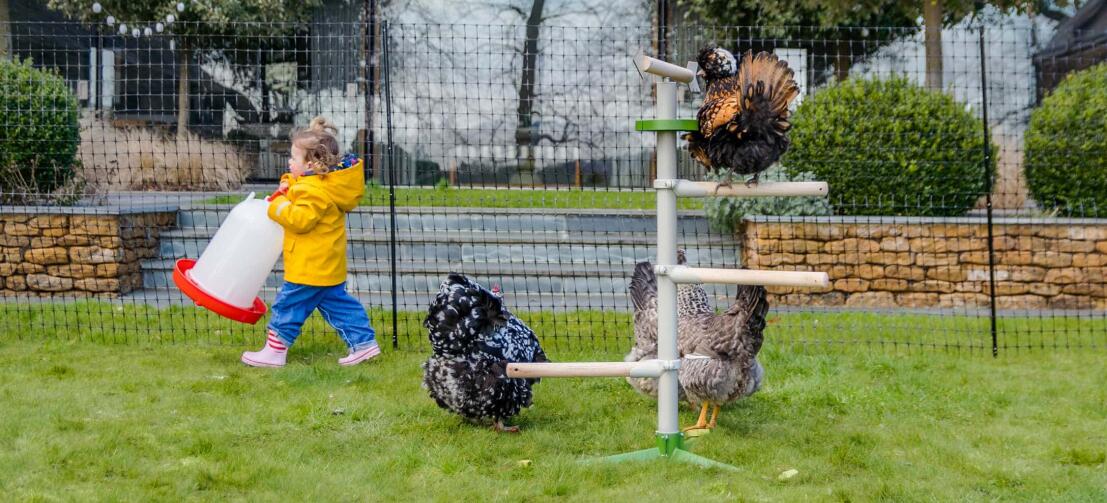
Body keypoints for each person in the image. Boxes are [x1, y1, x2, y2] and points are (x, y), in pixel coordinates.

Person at [241, 116, 380, 368]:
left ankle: (274, 352)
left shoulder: (312, 191)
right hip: (326, 265)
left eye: (293, 158)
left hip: (309, 268)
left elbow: (300, 219)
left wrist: (278, 205)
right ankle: (364, 344)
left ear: (312, 164)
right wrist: (287, 181)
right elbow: (299, 182)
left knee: (287, 305)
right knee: (340, 306)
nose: (289, 162)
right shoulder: (322, 184)